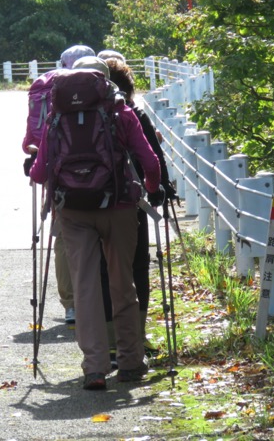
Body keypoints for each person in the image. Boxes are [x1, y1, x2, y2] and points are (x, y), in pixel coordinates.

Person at [29, 57, 162, 390]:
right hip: (118, 206)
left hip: (73, 210)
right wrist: (149, 188)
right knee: (123, 282)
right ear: (107, 81)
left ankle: (95, 368)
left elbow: (41, 172)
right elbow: (150, 160)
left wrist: (33, 168)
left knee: (86, 287)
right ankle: (131, 361)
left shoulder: (57, 115)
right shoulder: (121, 111)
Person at [99, 57, 172, 365]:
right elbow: (152, 159)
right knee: (136, 267)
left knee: (101, 271)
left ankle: (109, 342)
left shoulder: (78, 114)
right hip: (130, 203)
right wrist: (159, 191)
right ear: (127, 85)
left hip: (85, 203)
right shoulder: (131, 113)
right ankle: (136, 339)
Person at [22, 44, 95, 325]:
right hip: (99, 176)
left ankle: (71, 304)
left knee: (63, 237)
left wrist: (37, 168)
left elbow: (32, 138)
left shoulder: (48, 90)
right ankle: (95, 298)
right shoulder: (97, 87)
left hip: (58, 174)